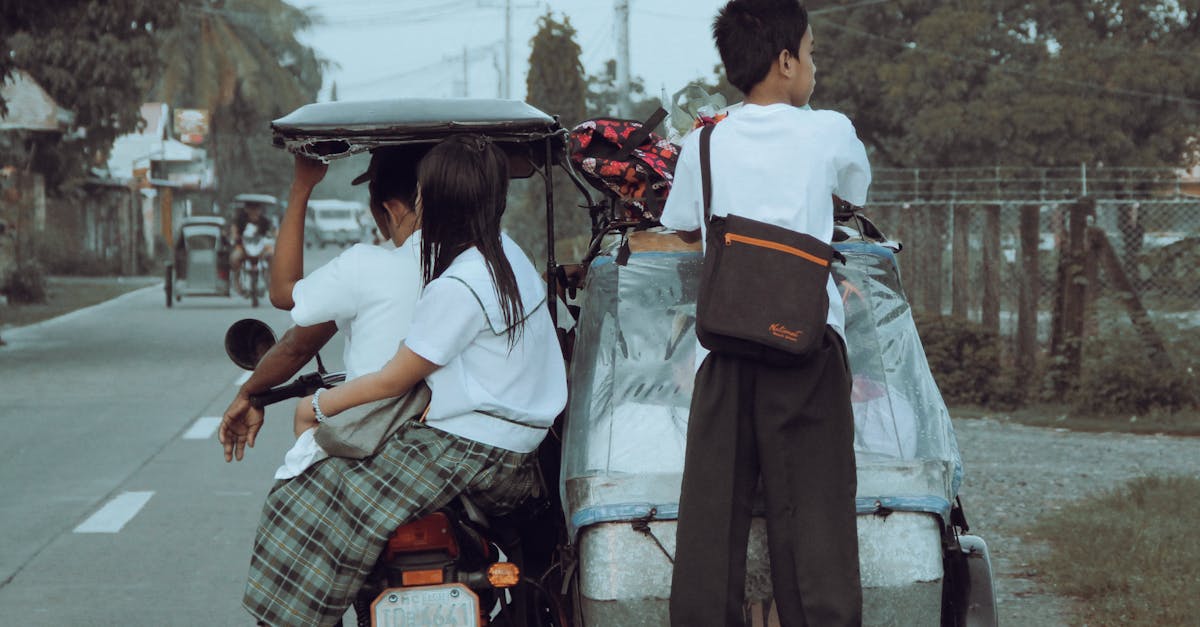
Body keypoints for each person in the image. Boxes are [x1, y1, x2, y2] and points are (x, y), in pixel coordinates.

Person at [239, 134, 566, 627]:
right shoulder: (508, 258)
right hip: (520, 449)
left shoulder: (459, 283)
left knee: (303, 501)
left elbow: (391, 380)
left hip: (474, 453)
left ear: (434, 201)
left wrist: (319, 406)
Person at [658, 1, 871, 625]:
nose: (815, 64)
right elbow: (855, 191)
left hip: (723, 348)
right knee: (814, 523)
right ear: (785, 62)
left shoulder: (704, 139)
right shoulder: (828, 130)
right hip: (804, 344)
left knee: (710, 521)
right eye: (811, 51)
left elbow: (681, 228)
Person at [218, 145, 428, 477]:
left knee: (289, 515)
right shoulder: (491, 262)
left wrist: (301, 187)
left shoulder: (366, 264)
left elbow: (293, 335)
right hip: (471, 445)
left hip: (375, 440)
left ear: (391, 208)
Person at [228, 199, 277, 296]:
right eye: (251, 208)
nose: (254, 211)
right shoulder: (240, 220)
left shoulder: (265, 221)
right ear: (246, 209)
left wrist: (276, 237)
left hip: (261, 247)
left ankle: (270, 279)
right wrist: (234, 237)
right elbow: (234, 231)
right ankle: (237, 282)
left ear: (260, 210)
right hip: (244, 247)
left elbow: (273, 231)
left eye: (256, 208)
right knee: (234, 258)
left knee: (273, 255)